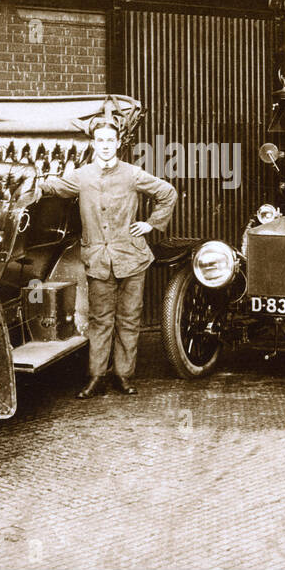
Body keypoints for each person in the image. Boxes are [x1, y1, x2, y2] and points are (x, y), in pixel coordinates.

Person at [35, 118, 177, 399]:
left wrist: (151, 224)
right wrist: (33, 185)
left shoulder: (132, 174)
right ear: (93, 144)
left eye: (110, 141)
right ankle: (97, 377)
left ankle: (124, 376)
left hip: (132, 258)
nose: (105, 146)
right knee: (100, 319)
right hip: (98, 260)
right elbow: (54, 187)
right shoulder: (82, 175)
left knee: (129, 318)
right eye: (100, 141)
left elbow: (167, 193)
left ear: (118, 144)